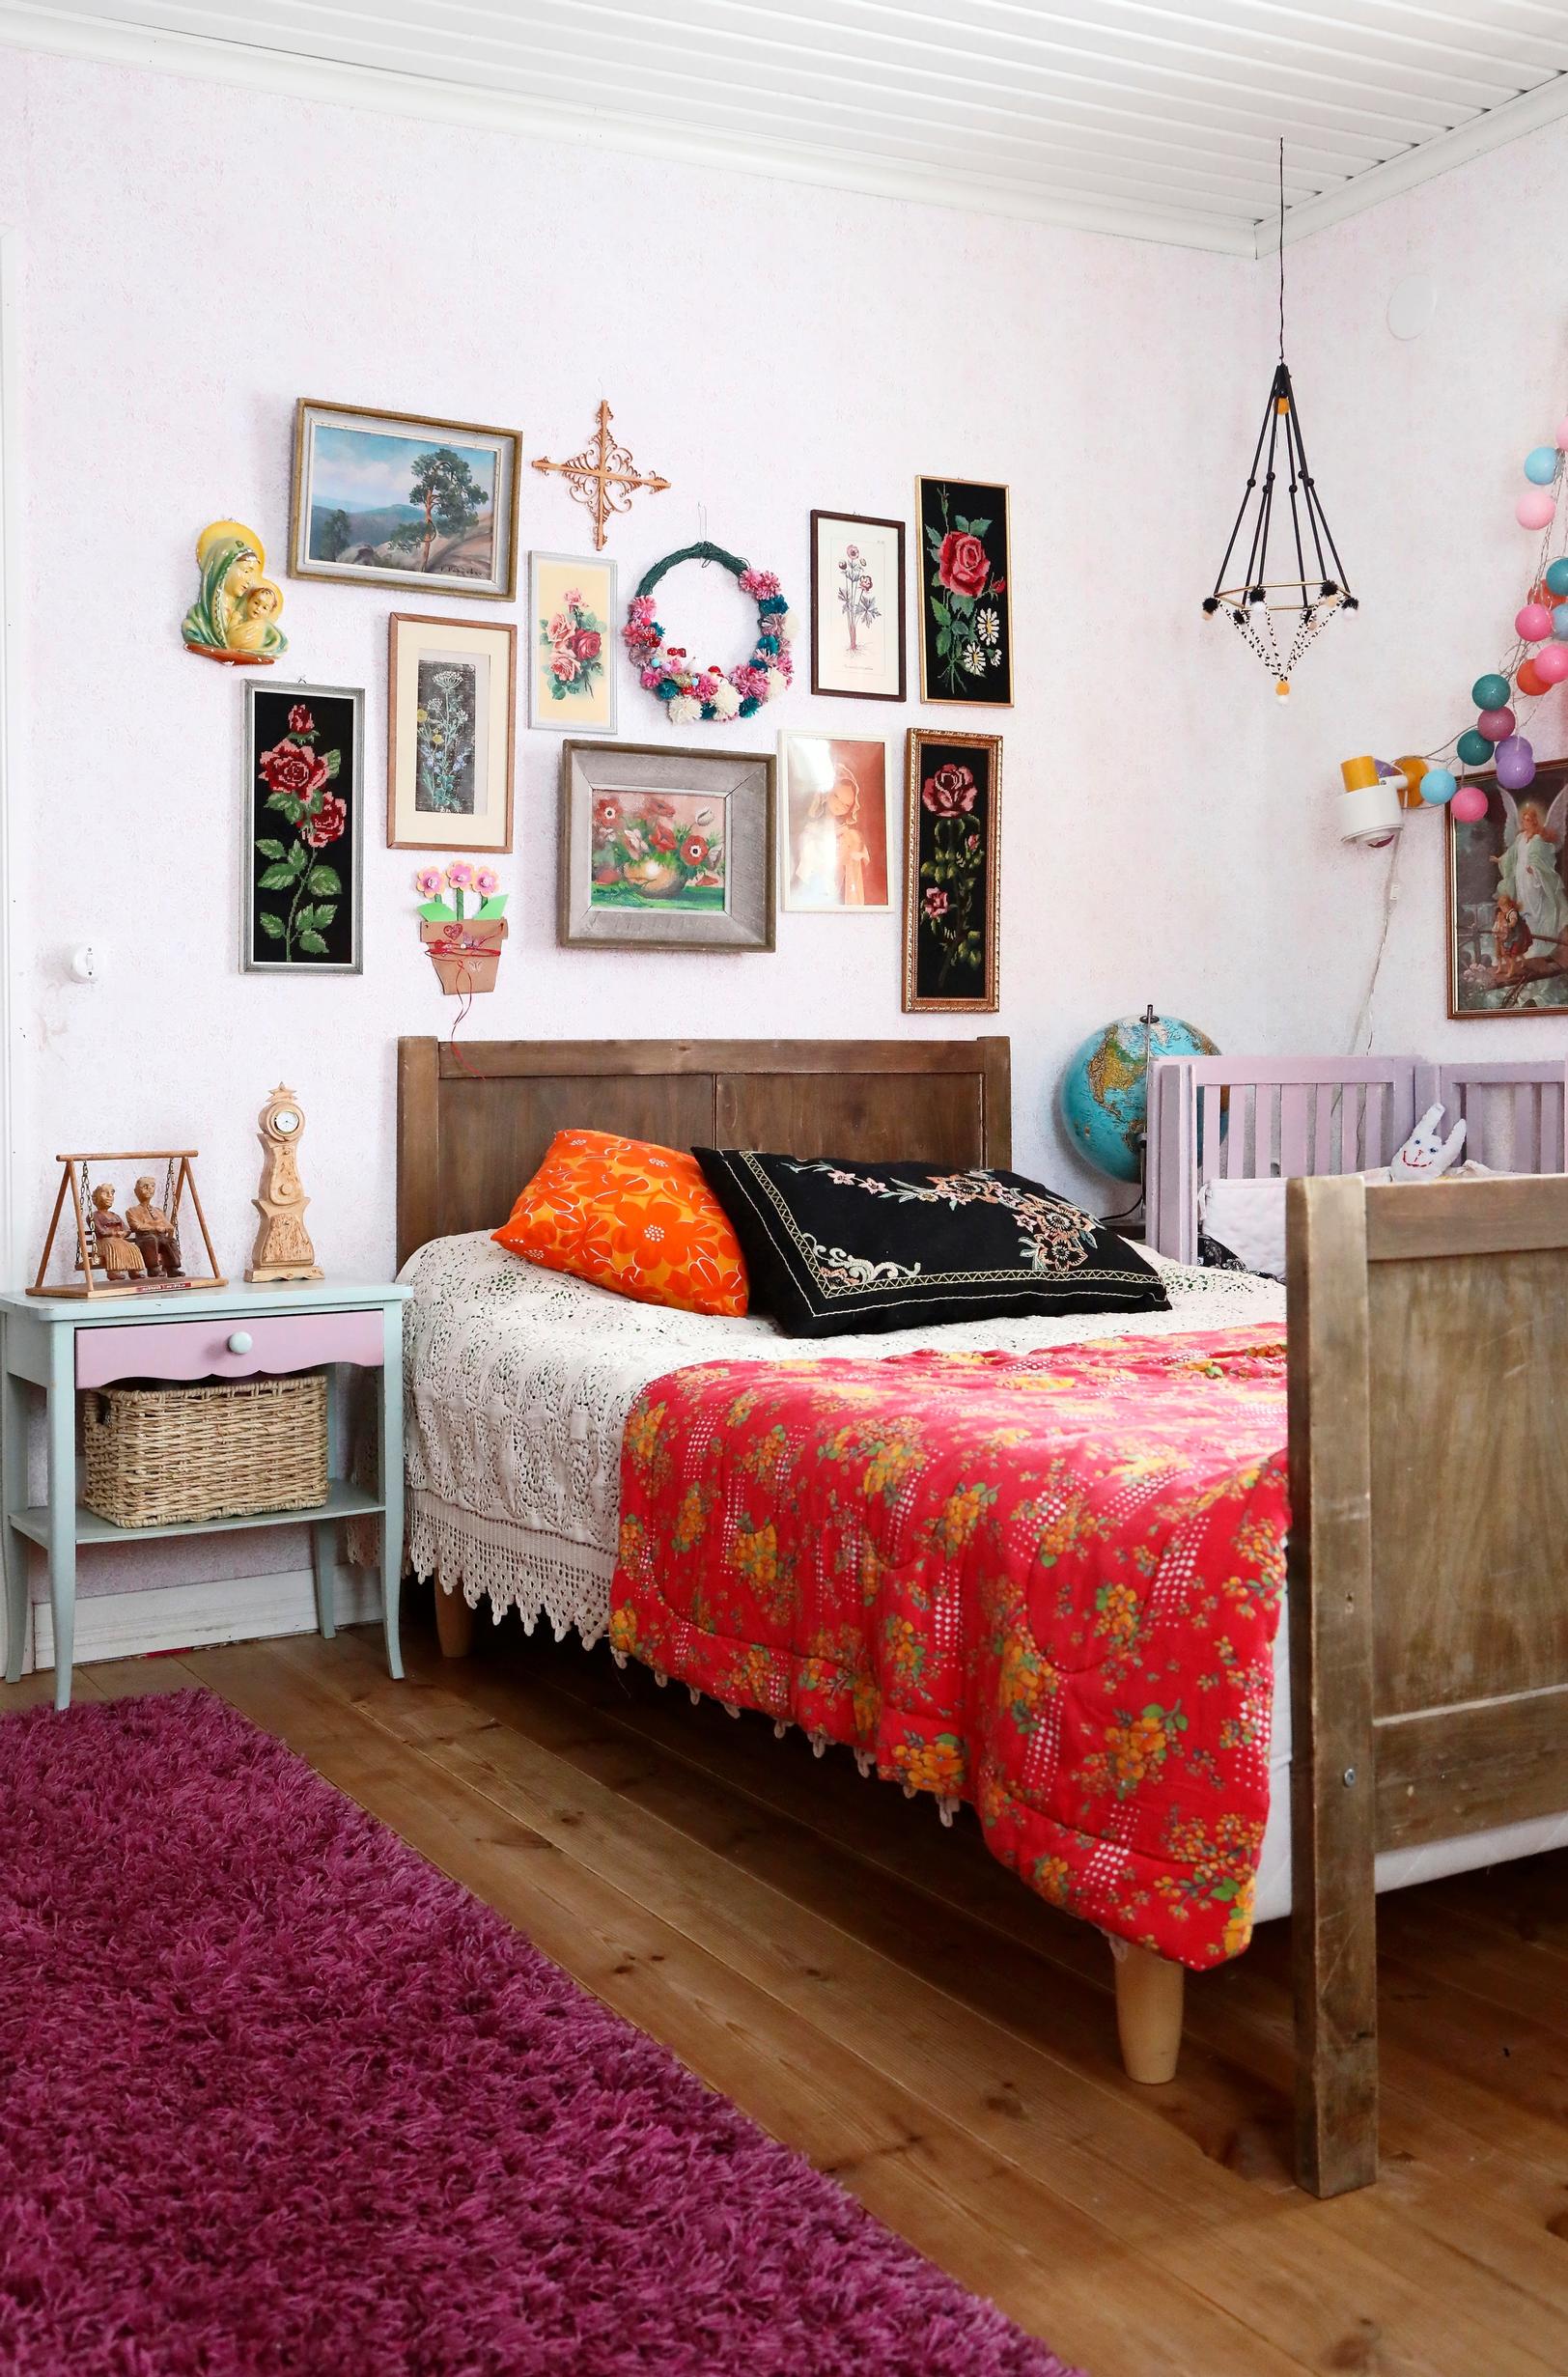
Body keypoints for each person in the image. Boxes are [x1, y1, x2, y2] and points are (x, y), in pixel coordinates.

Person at [794, 759, 872, 909]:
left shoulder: (848, 834)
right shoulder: (811, 827)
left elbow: (850, 866)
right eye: (836, 797)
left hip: (836, 888)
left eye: (846, 805)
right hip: (811, 885)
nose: (839, 806)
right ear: (827, 794)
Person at [126, 1176, 183, 1278]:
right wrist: (155, 1227)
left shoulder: (158, 1211)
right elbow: (136, 1226)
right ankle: (153, 1269)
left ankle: (172, 1269)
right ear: (137, 1191)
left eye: (152, 1186)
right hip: (144, 1240)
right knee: (151, 1239)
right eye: (145, 1186)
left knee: (170, 1241)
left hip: (160, 1238)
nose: (149, 1189)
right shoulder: (132, 1211)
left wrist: (164, 1228)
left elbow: (170, 1226)